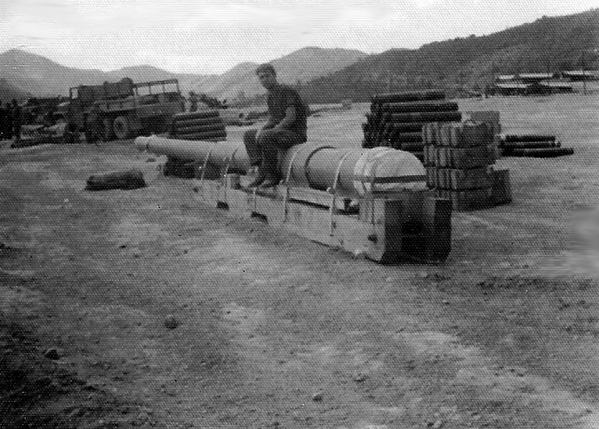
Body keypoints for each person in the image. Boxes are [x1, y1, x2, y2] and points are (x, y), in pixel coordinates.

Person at [244, 63, 307, 188]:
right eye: (261, 77)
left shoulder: (286, 91)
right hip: (281, 133)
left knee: (266, 136)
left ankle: (273, 176)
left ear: (274, 76)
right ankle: (262, 172)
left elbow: (290, 118)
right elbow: (273, 118)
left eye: (267, 76)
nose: (264, 80)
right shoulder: (270, 96)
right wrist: (262, 129)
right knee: (249, 135)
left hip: (295, 134)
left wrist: (271, 131)